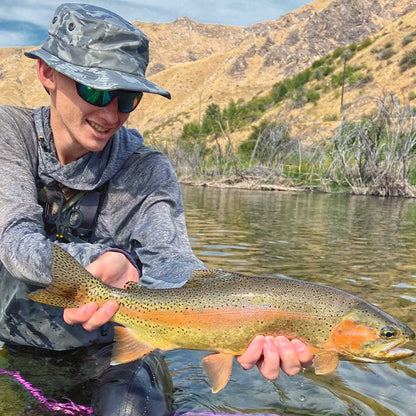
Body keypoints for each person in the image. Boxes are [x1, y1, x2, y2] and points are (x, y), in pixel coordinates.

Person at [0, 3, 313, 415]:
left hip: (120, 341)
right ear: (47, 74)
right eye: (95, 90)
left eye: (128, 97)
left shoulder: (147, 168)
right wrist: (99, 260)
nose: (111, 113)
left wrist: (250, 316)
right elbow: (15, 239)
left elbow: (173, 267)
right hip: (13, 341)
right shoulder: (10, 135)